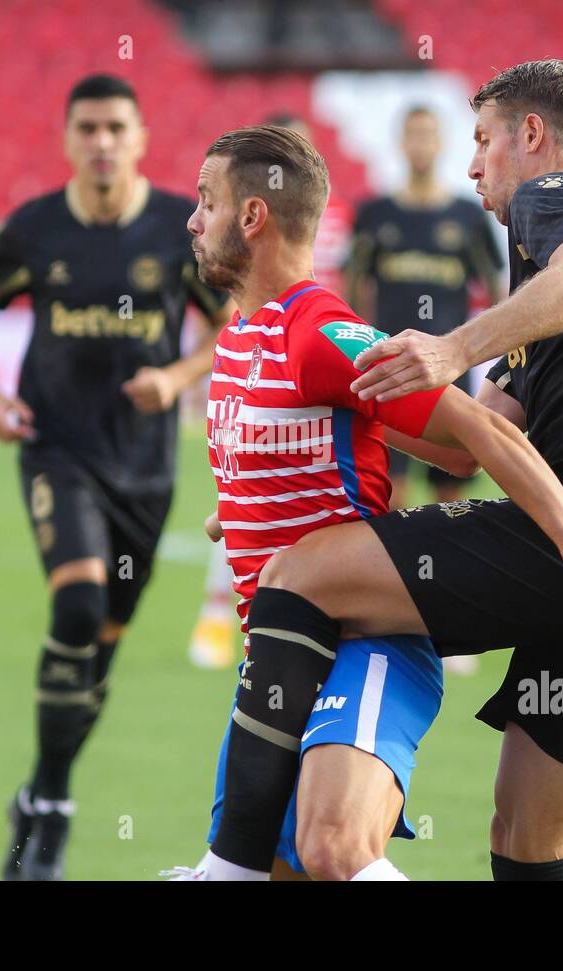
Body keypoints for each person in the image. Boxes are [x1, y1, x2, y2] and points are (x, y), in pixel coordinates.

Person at [207, 59, 563, 881]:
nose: (472, 165)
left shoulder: (560, 201)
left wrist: (452, 346)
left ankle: (229, 865)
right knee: (528, 842)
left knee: (297, 575)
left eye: (483, 141)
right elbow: (473, 439)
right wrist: (295, 448)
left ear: (533, 136)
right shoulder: (558, 281)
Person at [0, 74, 232, 880]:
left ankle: (43, 794)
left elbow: (230, 325)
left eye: (116, 127)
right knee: (76, 604)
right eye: (88, 128)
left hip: (143, 468)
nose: (103, 141)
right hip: (57, 450)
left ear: (140, 136)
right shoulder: (33, 230)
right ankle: (54, 809)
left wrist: (179, 379)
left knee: (97, 656)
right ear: (67, 137)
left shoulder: (181, 228)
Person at [187, 110, 354, 671]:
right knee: (240, 497)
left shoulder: (321, 325)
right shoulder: (237, 329)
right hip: (266, 353)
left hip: (313, 350)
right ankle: (217, 616)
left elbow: (467, 438)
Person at [344, 103, 505, 509]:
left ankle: (440, 572)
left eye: (427, 135)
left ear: (440, 143)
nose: (420, 145)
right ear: (400, 143)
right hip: (389, 371)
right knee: (391, 490)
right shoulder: (374, 213)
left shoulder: (467, 217)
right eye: (412, 135)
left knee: (451, 487)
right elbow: (353, 287)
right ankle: (403, 572)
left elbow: (497, 291)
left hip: (450, 370)